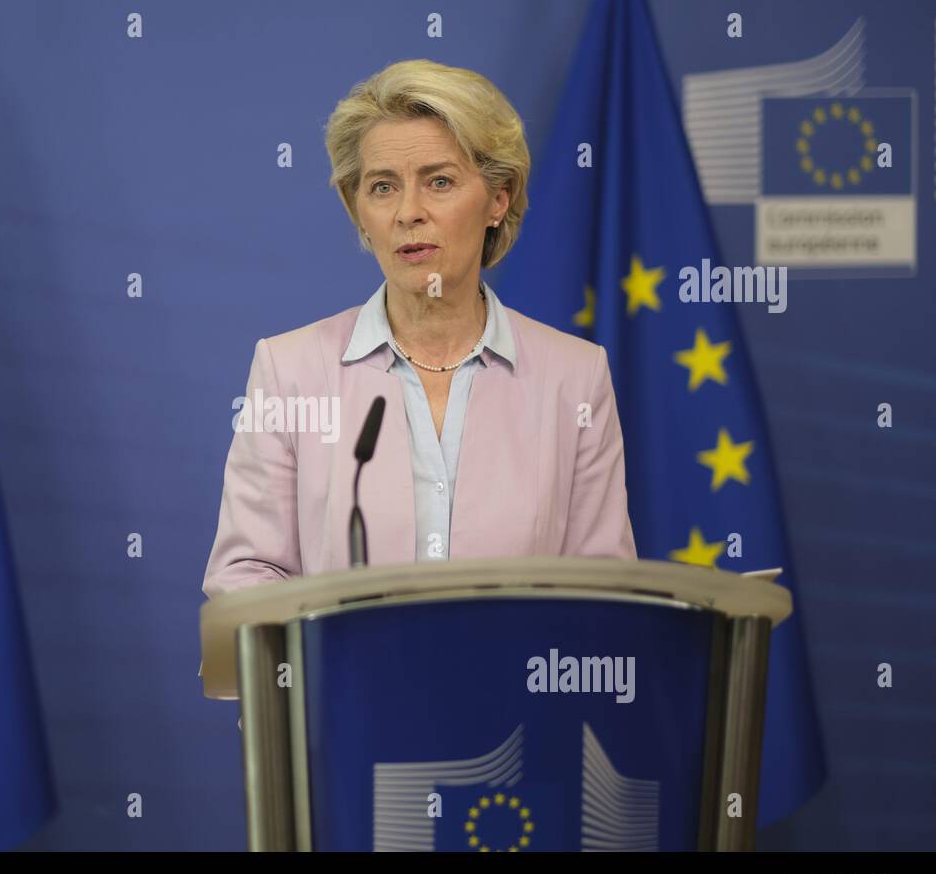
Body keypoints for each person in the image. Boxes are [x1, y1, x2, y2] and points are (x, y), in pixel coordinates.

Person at [204, 58, 635, 599]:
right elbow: (246, 575)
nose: (409, 212)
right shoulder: (289, 370)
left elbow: (604, 592)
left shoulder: (575, 376)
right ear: (357, 210)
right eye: (383, 187)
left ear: (498, 199)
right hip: (346, 682)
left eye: (439, 181)